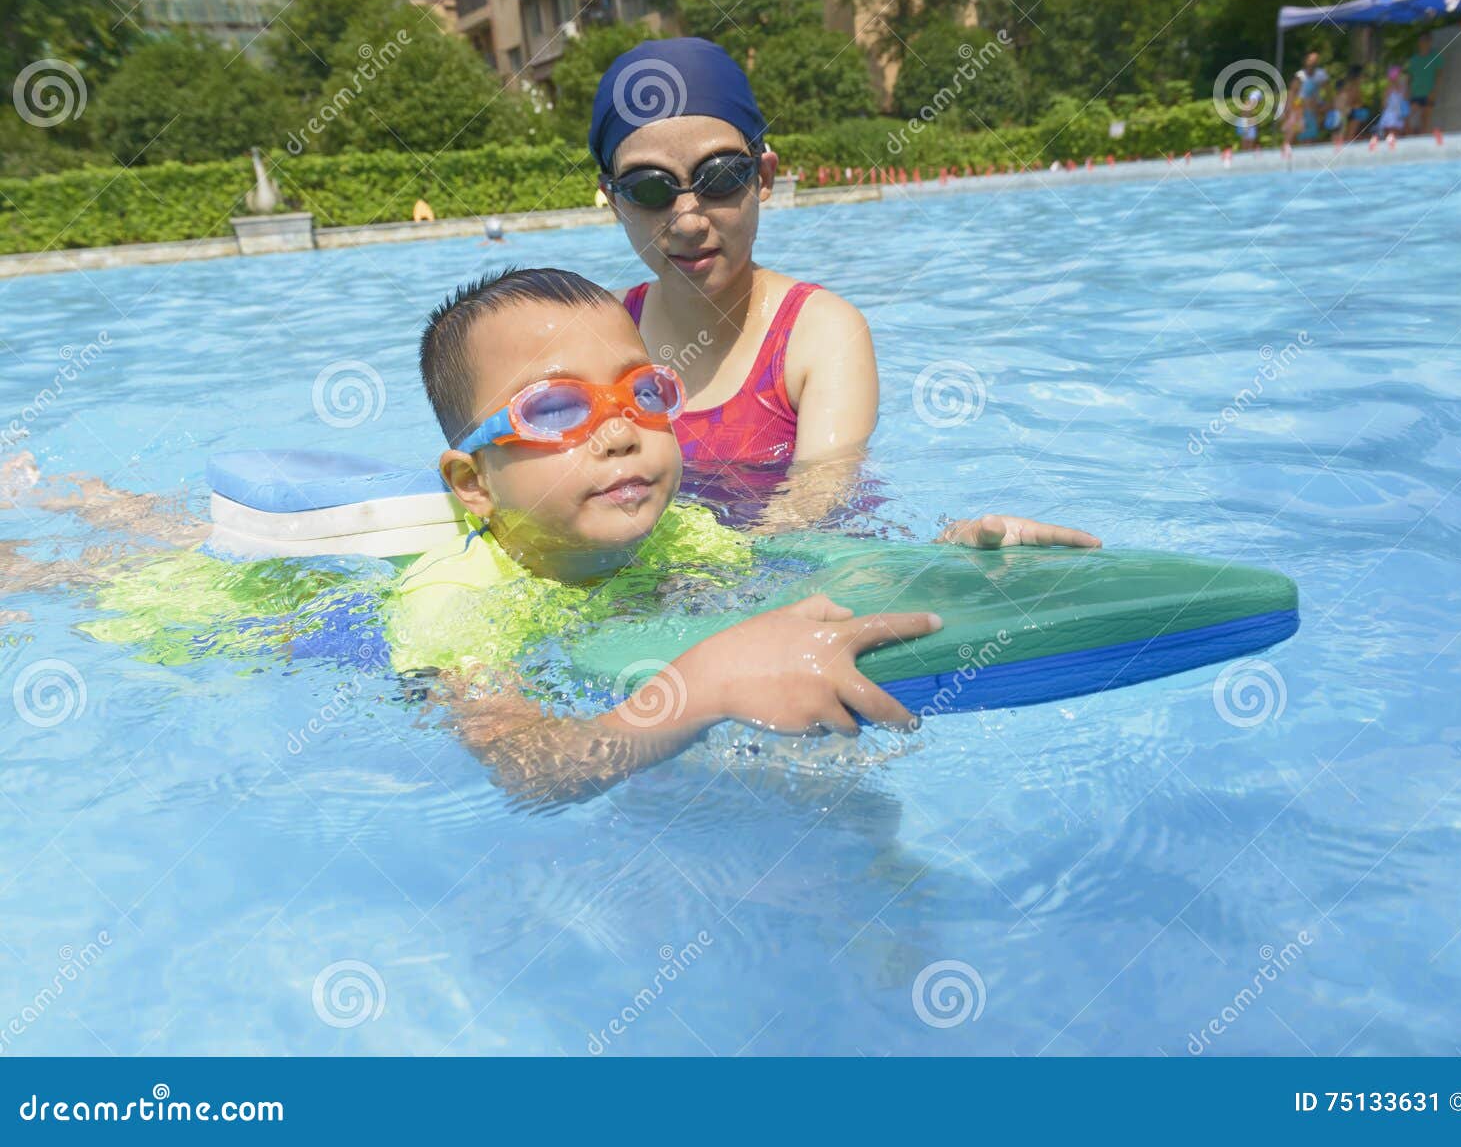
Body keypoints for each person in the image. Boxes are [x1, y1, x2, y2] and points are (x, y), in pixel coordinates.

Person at [2, 269, 1099, 802]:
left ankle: (76, 493)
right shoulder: (454, 604)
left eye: (644, 395)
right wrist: (700, 690)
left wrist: (954, 557)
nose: (621, 436)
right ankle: (54, 517)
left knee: (147, 539)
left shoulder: (681, 540)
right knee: (136, 573)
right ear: (473, 485)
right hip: (271, 611)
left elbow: (819, 578)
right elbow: (530, 768)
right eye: (559, 412)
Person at [588, 38, 878, 507]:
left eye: (720, 177)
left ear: (763, 178)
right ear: (614, 200)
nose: (688, 222)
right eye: (648, 188)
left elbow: (815, 511)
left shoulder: (820, 334)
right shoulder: (597, 331)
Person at [1405, 32, 1443, 134]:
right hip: (1415, 92)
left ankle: (1423, 140)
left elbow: (1439, 75)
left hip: (1428, 92)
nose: (1424, 44)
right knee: (1408, 117)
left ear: (1430, 42)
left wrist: (1434, 91)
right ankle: (1409, 138)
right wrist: (1407, 92)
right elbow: (1409, 77)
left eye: (1426, 41)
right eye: (1422, 41)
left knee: (1425, 118)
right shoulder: (1414, 59)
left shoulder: (1435, 57)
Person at [1293, 52, 1329, 133]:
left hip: (1315, 104)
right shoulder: (1300, 75)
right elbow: (1293, 92)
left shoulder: (1321, 74)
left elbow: (1328, 90)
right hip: (1301, 104)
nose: (1313, 62)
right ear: (1306, 61)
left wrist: (1327, 104)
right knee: (1300, 126)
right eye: (1311, 60)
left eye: (1315, 60)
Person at [1379, 66, 1409, 139]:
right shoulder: (1389, 88)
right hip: (1390, 114)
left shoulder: (1403, 88)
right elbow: (1384, 103)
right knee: (1391, 133)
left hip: (1398, 114)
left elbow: (1405, 101)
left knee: (1396, 134)